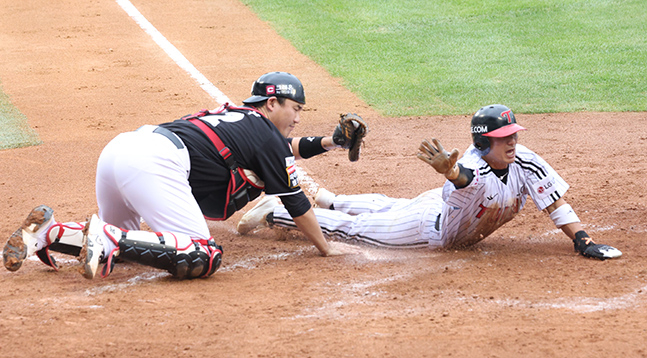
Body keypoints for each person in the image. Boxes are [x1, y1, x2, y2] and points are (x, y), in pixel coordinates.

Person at [3, 71, 365, 280]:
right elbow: (296, 200)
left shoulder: (243, 119)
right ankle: (108, 239)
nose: (298, 118)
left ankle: (50, 232)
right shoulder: (266, 134)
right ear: (273, 104)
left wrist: (331, 142)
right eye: (296, 109)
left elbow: (283, 149)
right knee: (202, 253)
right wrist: (326, 248)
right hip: (151, 163)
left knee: (137, 249)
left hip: (119, 151)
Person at [236, 104, 622, 260]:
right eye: (505, 138)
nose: (513, 142)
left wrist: (582, 240)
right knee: (358, 230)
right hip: (425, 230)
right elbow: (465, 178)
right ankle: (279, 212)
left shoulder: (525, 161)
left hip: (431, 206)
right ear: (484, 141)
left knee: (387, 202)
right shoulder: (474, 166)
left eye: (514, 135)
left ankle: (328, 198)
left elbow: (554, 202)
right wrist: (448, 172)